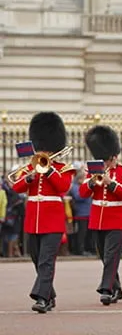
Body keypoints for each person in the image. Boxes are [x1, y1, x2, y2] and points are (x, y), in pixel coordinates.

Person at [11, 112, 75, 313]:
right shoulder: (30, 167)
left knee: (47, 261)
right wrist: (30, 176)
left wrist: (48, 171)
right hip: (33, 220)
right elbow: (17, 188)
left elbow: (63, 187)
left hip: (53, 220)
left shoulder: (63, 168)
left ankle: (41, 298)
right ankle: (50, 294)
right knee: (37, 259)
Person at [80, 125, 122, 306]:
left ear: (114, 156)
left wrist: (110, 182)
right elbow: (82, 193)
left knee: (112, 256)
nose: (104, 163)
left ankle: (106, 289)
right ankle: (117, 287)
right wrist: (91, 182)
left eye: (107, 160)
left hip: (116, 218)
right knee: (105, 257)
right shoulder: (93, 171)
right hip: (98, 218)